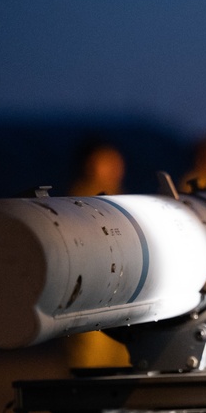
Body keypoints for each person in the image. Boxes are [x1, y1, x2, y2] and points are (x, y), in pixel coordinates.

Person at [65, 139, 131, 370]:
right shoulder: (78, 203)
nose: (114, 167)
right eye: (106, 162)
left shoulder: (118, 198)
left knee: (121, 358)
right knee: (90, 361)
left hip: (119, 294)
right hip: (91, 295)